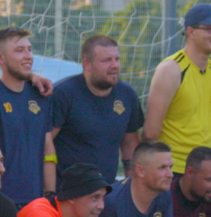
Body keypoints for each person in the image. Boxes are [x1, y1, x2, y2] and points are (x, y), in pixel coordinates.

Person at [0, 27, 57, 209]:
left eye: (30, 49)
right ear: (0, 58)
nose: (28, 56)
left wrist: (50, 194)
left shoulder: (41, 94)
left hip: (36, 202)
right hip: (0, 201)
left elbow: (48, 148)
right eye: (19, 50)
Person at [143, 3, 211, 174]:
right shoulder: (171, 69)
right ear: (190, 32)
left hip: (203, 171)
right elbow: (150, 133)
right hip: (171, 171)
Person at [51, 35, 143, 184]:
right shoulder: (63, 94)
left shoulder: (127, 94)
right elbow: (44, 144)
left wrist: (132, 187)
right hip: (66, 194)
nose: (115, 65)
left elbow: (130, 145)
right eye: (107, 60)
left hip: (106, 191)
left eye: (117, 59)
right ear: (87, 64)